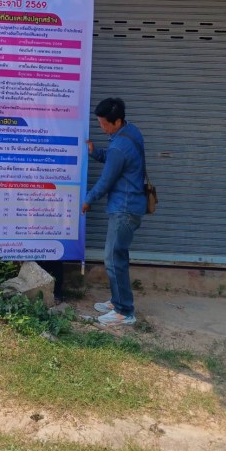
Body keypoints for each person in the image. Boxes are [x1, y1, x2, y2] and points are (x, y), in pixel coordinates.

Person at [82, 97, 146, 327]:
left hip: (124, 209)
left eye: (104, 124)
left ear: (117, 121)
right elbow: (117, 161)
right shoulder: (130, 131)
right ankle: (117, 301)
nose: (102, 127)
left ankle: (124, 311)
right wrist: (96, 153)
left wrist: (87, 199)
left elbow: (107, 180)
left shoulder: (119, 145)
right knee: (118, 256)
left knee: (112, 258)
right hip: (131, 205)